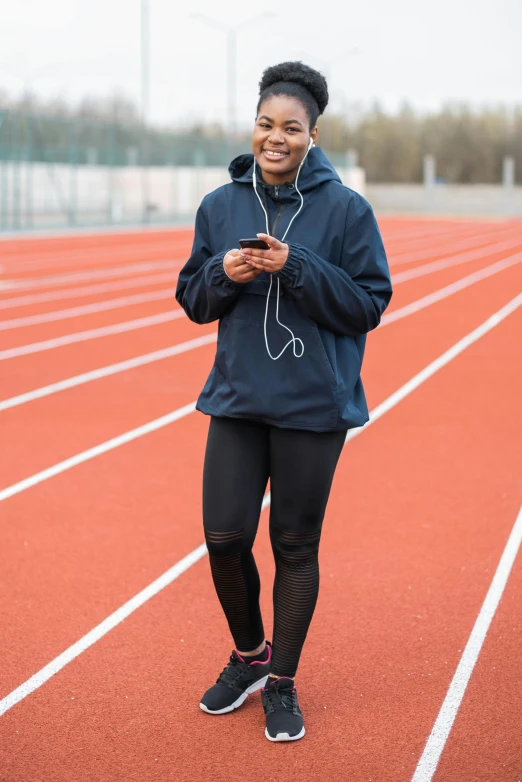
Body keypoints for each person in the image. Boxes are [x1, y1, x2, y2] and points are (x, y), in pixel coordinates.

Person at [176, 61, 392, 742]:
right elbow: (192, 300)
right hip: (237, 400)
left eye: (291, 128)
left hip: (314, 407)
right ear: (255, 126)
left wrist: (295, 266)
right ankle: (249, 656)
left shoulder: (347, 210)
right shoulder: (219, 205)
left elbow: (367, 306)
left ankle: (283, 683)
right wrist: (224, 272)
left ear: (313, 134)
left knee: (294, 547)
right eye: (266, 124)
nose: (276, 138)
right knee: (223, 537)